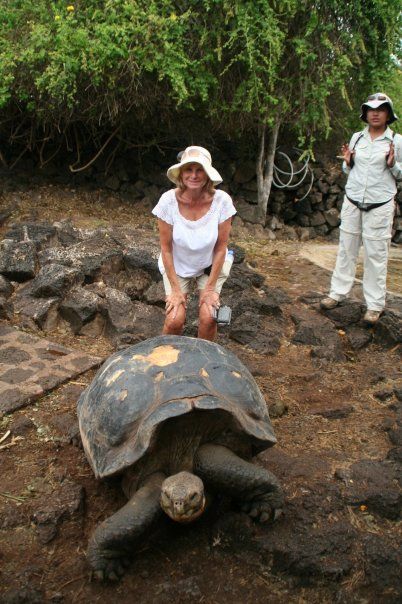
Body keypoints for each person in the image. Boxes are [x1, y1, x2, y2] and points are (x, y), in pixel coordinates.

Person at [321, 92, 402, 324]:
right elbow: (349, 170)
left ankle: (375, 305)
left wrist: (393, 164)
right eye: (370, 109)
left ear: (388, 114)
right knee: (347, 248)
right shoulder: (357, 137)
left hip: (380, 203)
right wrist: (348, 163)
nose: (375, 113)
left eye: (380, 109)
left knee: (376, 254)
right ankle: (337, 293)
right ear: (365, 113)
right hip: (353, 200)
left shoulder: (396, 140)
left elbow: (400, 173)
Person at [152, 146, 236, 341]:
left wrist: (209, 290)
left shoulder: (222, 202)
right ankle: (165, 359)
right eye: (189, 170)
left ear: (207, 174)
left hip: (209, 265)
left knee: (208, 317)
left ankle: (203, 366)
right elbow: (166, 249)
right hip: (177, 264)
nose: (194, 175)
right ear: (181, 174)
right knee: (174, 319)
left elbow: (221, 248)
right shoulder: (168, 201)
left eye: (200, 170)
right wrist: (174, 290)